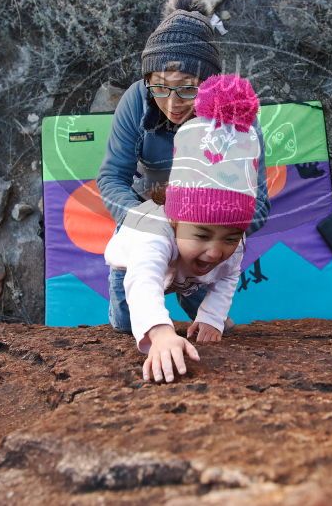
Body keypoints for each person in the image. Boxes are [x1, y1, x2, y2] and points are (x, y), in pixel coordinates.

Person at [97, 0, 270, 328]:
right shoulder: (137, 100)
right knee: (125, 321)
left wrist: (211, 231)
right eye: (160, 86)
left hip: (207, 232)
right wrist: (153, 221)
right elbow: (112, 177)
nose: (172, 102)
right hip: (147, 220)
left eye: (189, 88)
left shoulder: (235, 119)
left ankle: (198, 306)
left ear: (210, 82)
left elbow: (259, 202)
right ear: (147, 81)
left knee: (206, 316)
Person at [104, 74, 261, 383]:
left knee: (201, 283)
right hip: (133, 267)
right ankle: (139, 317)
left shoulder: (228, 246)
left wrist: (212, 318)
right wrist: (160, 333)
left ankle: (197, 309)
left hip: (190, 272)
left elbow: (228, 276)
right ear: (175, 221)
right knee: (126, 322)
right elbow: (145, 281)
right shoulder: (153, 235)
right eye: (202, 233)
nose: (217, 249)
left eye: (230, 236)